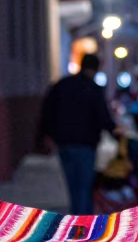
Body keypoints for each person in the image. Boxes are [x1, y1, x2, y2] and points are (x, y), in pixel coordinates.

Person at [39, 52, 122, 214]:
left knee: (73, 187)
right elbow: (103, 117)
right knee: (84, 188)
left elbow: (47, 112)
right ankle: (84, 226)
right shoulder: (94, 89)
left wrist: (47, 135)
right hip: (86, 145)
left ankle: (77, 221)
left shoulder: (61, 85)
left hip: (63, 144)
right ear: (96, 69)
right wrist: (117, 135)